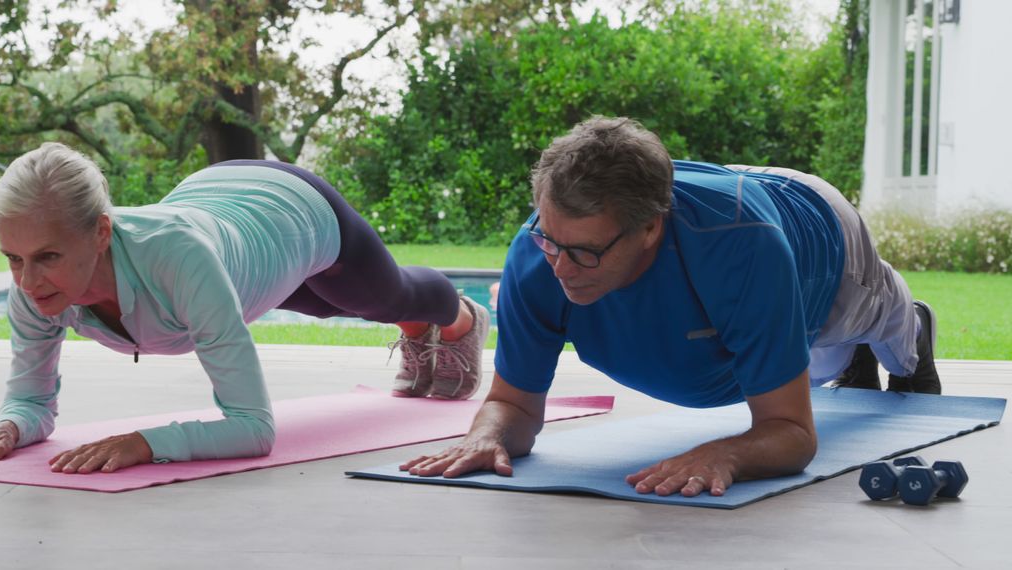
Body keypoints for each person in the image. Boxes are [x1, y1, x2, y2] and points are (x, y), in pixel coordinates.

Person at [400, 116, 940, 497]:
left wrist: (726, 453)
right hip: (719, 211)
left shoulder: (744, 249)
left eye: (584, 252)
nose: (559, 267)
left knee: (872, 331)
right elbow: (514, 407)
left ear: (650, 229)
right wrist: (487, 432)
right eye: (550, 240)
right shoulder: (537, 253)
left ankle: (913, 328)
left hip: (813, 228)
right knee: (824, 368)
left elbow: (793, 433)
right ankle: (850, 361)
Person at [0, 143, 490, 473]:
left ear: (101, 232)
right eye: (12, 258)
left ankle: (456, 321)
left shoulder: (176, 260)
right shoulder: (35, 285)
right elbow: (32, 401)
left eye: (47, 256)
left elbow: (253, 428)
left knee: (374, 298)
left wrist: (146, 444)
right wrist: (9, 423)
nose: (27, 281)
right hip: (222, 224)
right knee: (314, 307)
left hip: (286, 208)